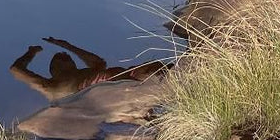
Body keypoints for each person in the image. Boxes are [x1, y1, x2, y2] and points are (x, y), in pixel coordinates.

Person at [9, 37, 168, 100]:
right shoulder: (53, 86)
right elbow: (16, 69)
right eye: (61, 58)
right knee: (151, 73)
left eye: (68, 57)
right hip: (122, 88)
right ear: (53, 70)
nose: (65, 56)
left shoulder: (82, 73)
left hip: (128, 78)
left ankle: (170, 76)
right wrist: (31, 52)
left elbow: (99, 63)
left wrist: (68, 46)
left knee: (154, 67)